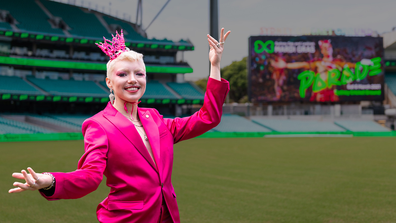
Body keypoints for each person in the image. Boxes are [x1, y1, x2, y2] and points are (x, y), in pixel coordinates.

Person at [9, 28, 231, 223]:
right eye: (123, 74)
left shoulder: (154, 118)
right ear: (109, 82)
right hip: (127, 219)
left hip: (167, 216)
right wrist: (49, 180)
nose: (133, 80)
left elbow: (207, 117)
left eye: (139, 74)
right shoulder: (98, 125)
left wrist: (215, 66)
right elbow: (90, 177)